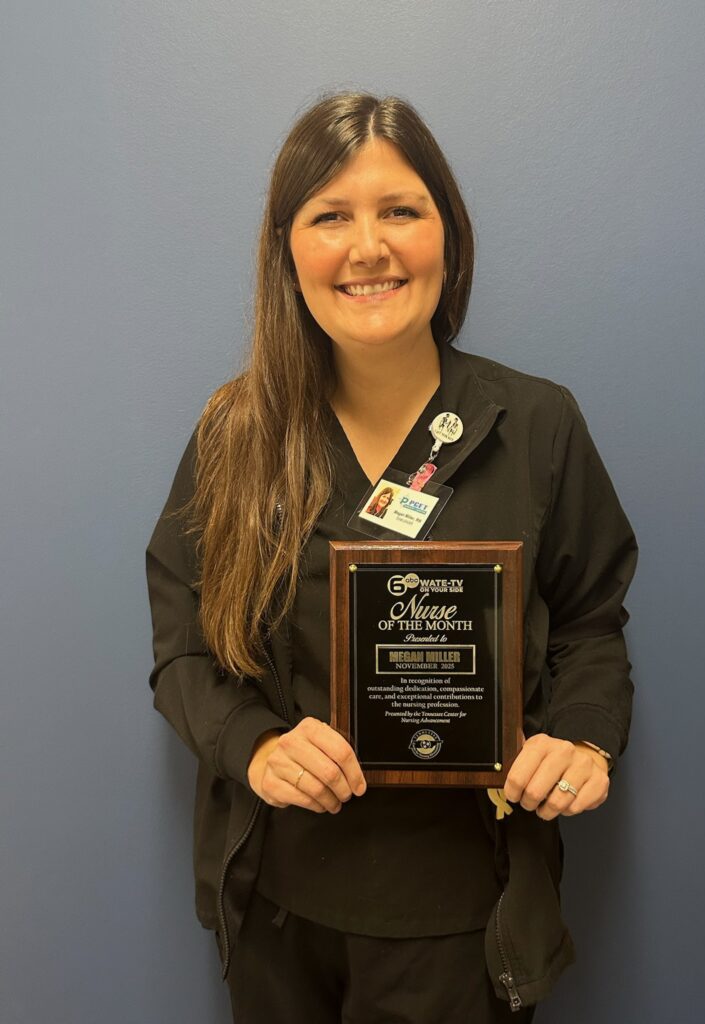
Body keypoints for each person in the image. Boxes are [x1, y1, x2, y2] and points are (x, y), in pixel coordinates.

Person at [146, 92, 637, 1023]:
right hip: (281, 915)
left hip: (469, 917)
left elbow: (591, 623)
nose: (367, 247)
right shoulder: (236, 433)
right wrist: (253, 747)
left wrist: (582, 735)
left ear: (445, 234)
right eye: (330, 216)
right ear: (286, 250)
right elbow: (181, 652)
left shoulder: (538, 425)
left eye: (399, 211)